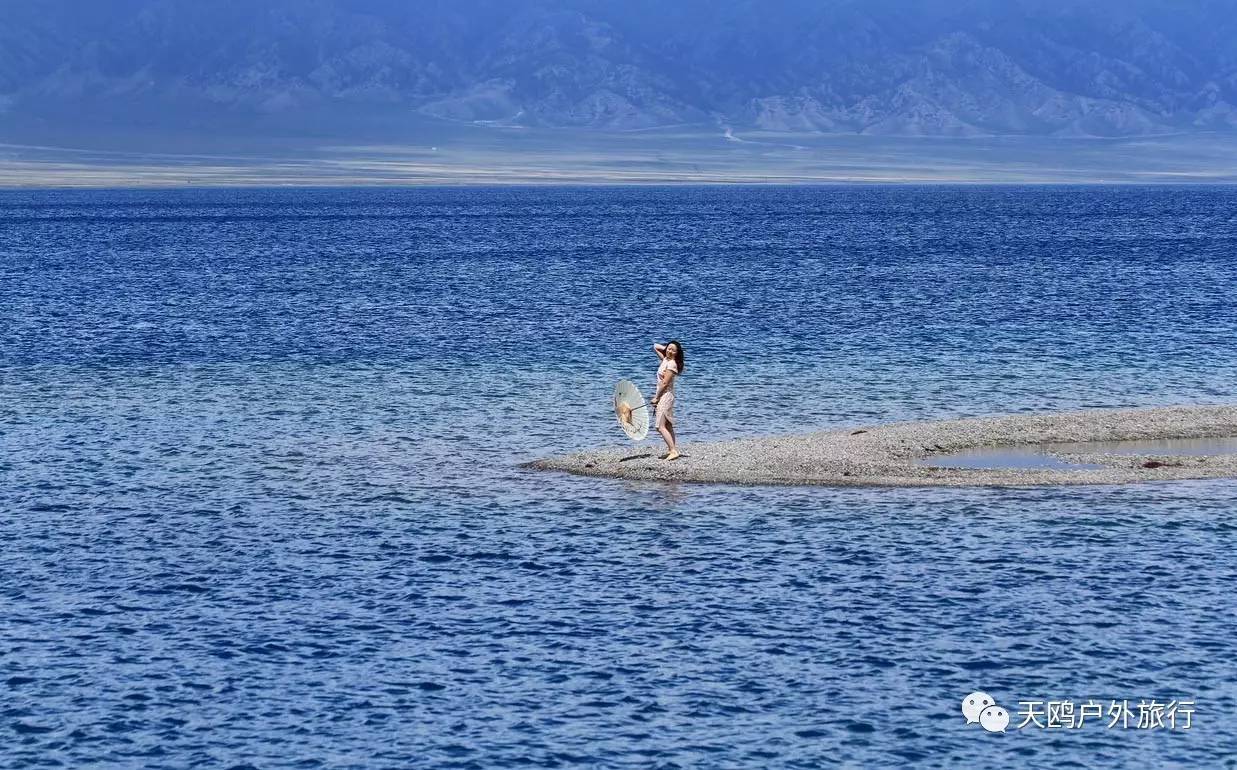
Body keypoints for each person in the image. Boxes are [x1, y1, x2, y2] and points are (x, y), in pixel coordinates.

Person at [651, 340, 685, 460]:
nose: (670, 351)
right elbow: (655, 346)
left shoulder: (672, 365)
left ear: (677, 353)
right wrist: (667, 348)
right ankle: (672, 449)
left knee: (660, 427)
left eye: (673, 350)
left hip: (665, 396)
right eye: (669, 349)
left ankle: (673, 451)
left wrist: (656, 398)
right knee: (668, 426)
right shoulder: (666, 360)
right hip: (664, 396)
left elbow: (665, 383)